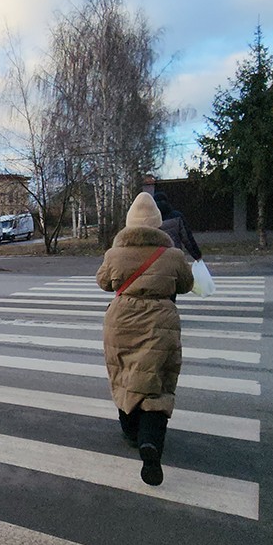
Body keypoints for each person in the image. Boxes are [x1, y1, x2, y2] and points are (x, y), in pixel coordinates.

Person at [96, 192, 194, 486]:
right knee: (157, 381)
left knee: (124, 374)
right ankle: (150, 442)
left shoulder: (115, 254)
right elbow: (187, 285)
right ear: (157, 223)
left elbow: (103, 281)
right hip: (161, 320)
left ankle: (129, 429)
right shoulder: (173, 255)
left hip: (121, 319)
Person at [153, 191, 202, 262]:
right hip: (175, 256)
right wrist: (197, 255)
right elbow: (187, 239)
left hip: (157, 259)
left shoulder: (150, 220)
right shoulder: (177, 217)